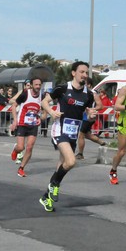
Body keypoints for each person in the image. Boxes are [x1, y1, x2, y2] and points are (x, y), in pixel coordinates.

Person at [39, 61, 97, 212]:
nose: (85, 75)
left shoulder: (88, 95)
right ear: (73, 73)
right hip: (59, 130)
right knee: (71, 162)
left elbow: (88, 114)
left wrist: (91, 115)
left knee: (62, 164)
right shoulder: (63, 89)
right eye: (82, 72)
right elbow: (44, 102)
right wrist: (51, 112)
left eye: (86, 72)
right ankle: (54, 185)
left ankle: (46, 197)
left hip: (73, 133)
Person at [9, 78, 43, 178]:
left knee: (29, 147)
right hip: (22, 123)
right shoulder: (25, 94)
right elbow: (14, 106)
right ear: (31, 85)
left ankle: (21, 168)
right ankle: (16, 150)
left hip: (33, 125)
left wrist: (41, 118)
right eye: (36, 84)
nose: (38, 87)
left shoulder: (42, 95)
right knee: (21, 147)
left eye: (39, 84)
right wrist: (15, 120)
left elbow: (45, 108)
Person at [75, 78, 106, 160]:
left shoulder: (93, 94)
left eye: (85, 83)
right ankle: (102, 142)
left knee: (81, 135)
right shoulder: (82, 93)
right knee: (87, 135)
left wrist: (92, 110)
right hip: (83, 116)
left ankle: (80, 154)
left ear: (89, 85)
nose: (82, 84)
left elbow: (100, 106)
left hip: (88, 117)